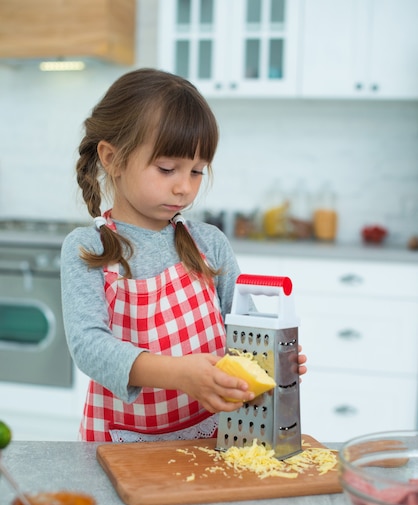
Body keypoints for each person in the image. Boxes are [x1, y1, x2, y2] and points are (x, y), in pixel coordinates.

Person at [61, 68, 307, 443]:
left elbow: (244, 328)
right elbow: (90, 347)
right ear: (112, 158)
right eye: (166, 169)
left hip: (209, 440)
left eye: (196, 171)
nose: (184, 187)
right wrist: (180, 375)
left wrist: (270, 358)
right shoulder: (90, 249)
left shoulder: (209, 243)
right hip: (123, 447)